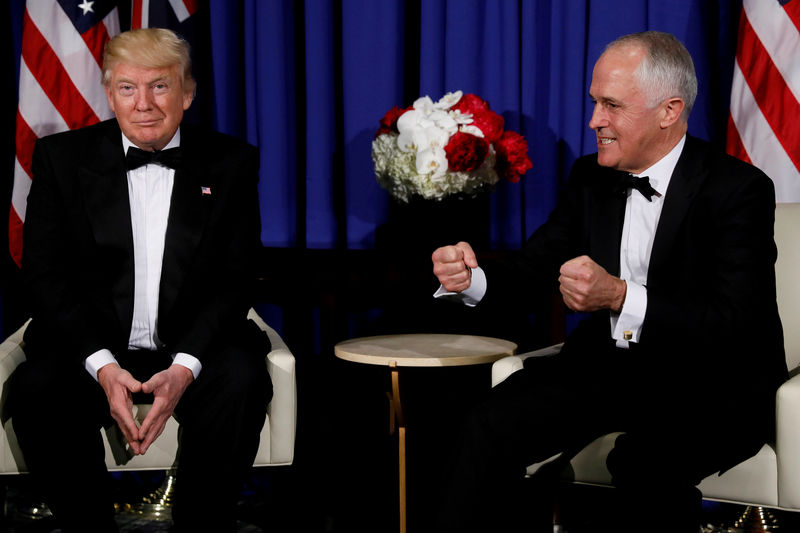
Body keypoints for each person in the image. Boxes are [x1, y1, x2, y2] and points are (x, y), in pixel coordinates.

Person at [431, 31, 786, 532]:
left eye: (611, 105)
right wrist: (471, 278)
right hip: (611, 368)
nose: (594, 120)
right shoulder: (589, 177)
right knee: (485, 424)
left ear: (669, 110)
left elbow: (733, 322)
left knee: (645, 464)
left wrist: (620, 296)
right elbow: (536, 267)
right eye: (595, 102)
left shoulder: (739, 190)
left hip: (712, 379)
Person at [9, 28, 272, 533]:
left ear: (187, 94)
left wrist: (185, 367)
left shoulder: (231, 162)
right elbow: (45, 275)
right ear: (110, 94)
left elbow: (236, 279)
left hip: (194, 344)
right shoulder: (62, 160)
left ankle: (203, 528)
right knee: (40, 388)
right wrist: (104, 367)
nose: (144, 104)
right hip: (92, 346)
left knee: (241, 379)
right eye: (128, 88)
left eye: (160, 86)